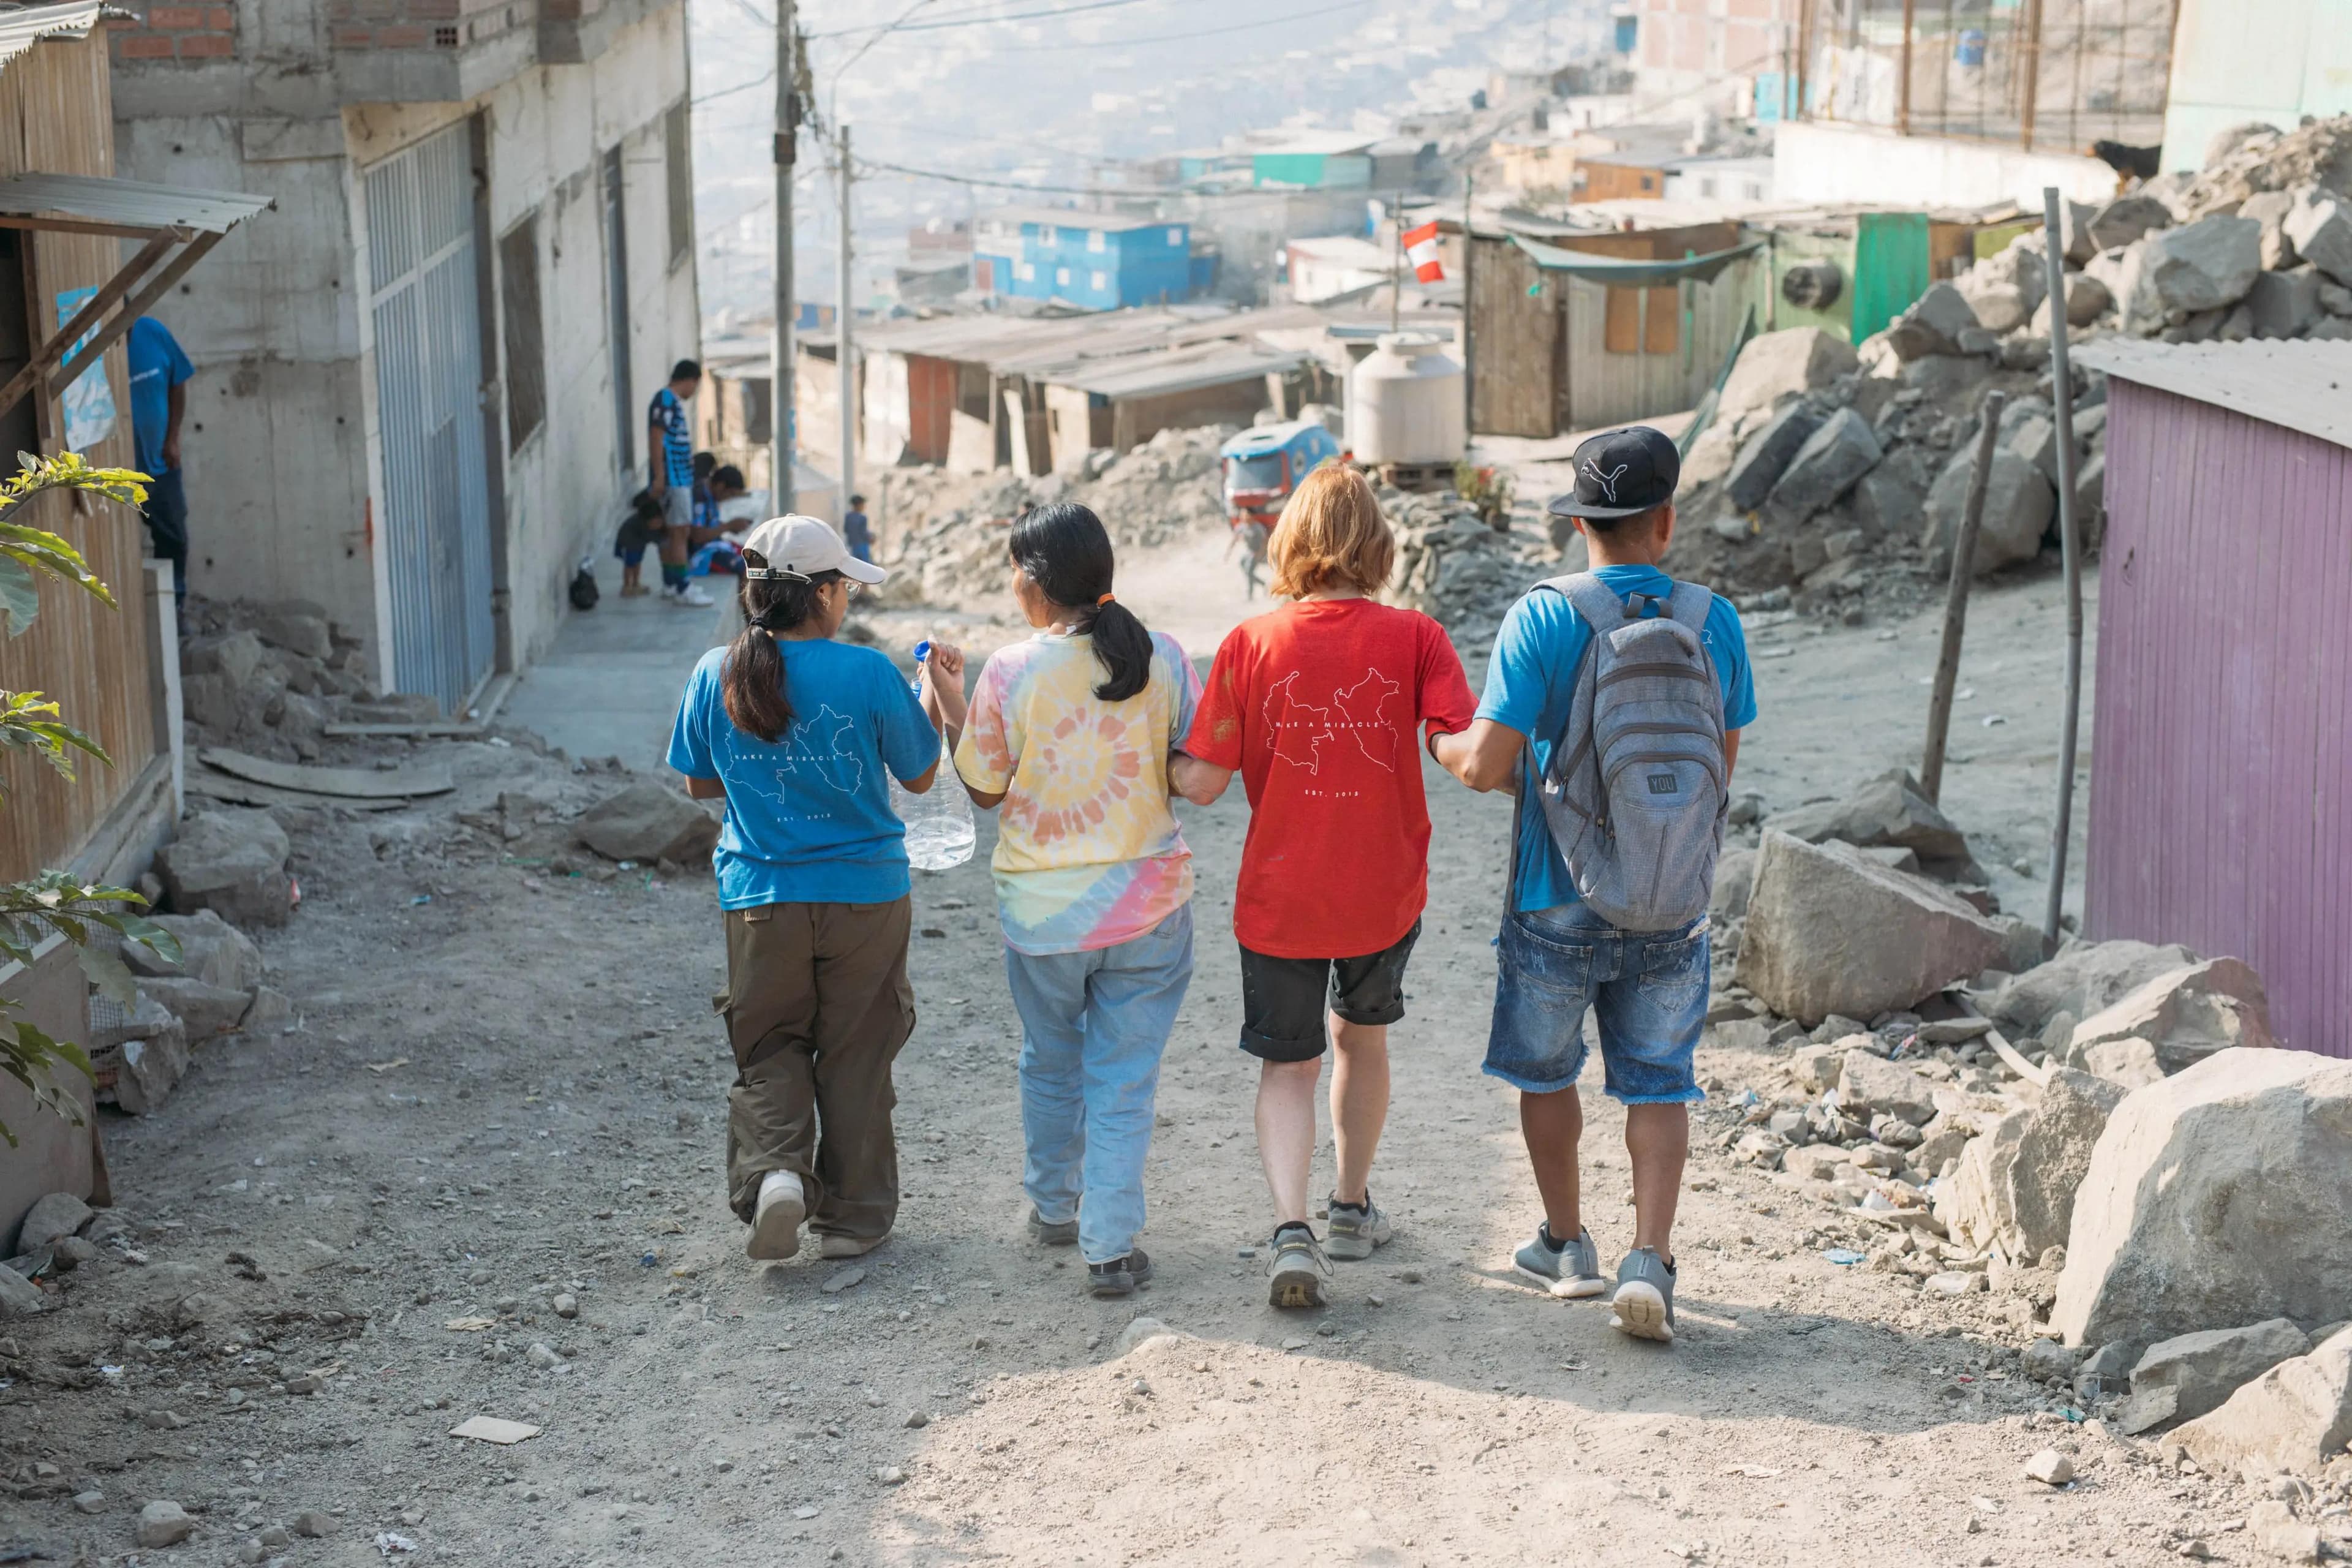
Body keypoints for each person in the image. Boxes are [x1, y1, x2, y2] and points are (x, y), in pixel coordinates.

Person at [1433, 427, 1756, 1344]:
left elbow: (1483, 763)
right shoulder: (1714, 621)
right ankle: (1650, 1259)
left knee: (1547, 1074)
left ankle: (1566, 1245)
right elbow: (1721, 767)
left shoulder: (1543, 616)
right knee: (1659, 1084)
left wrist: (1441, 742)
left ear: (1579, 523)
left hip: (1556, 892)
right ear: (1667, 520)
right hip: (1672, 897)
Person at [1173, 465, 1476, 1310]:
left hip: (1282, 897)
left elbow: (1202, 783)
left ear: (1290, 543)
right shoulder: (1418, 637)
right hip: (1383, 891)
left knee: (1287, 1066)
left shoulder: (1249, 644)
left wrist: (1148, 754)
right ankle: (1349, 1207)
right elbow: (1459, 743)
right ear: (1377, 544)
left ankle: (1290, 1230)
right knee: (1361, 1042)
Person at [666, 514, 965, 1262]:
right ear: (824, 594)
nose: (847, 601)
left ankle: (775, 1175)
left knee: (770, 1043)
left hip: (760, 899)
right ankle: (853, 1219)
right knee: (858, 1049)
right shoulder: (866, 672)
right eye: (845, 589)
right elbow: (920, 775)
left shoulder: (716, 671)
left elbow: (699, 781)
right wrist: (929, 696)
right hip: (866, 898)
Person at [948, 503, 1200, 1300]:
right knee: (1123, 1079)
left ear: (1035, 583)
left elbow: (984, 787)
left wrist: (949, 700)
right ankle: (1110, 1247)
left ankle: (1056, 1206)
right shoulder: (1162, 656)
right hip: (1148, 908)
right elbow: (1195, 763)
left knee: (1050, 1060)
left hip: (1044, 917)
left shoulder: (1009, 670)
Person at [126, 315, 194, 605]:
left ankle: (175, 607)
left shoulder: (152, 332)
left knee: (174, 539)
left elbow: (178, 382)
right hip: (117, 474)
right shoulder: (94, 346)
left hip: (160, 465)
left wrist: (172, 438)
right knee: (119, 548)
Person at [648, 360, 712, 608]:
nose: (694, 391)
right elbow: (656, 436)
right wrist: (660, 475)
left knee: (676, 531)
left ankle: (671, 583)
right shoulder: (665, 399)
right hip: (674, 479)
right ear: (689, 380)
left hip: (680, 478)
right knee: (679, 532)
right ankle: (683, 587)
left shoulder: (670, 401)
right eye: (695, 385)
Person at [842, 494, 873, 564]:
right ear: (859, 505)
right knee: (866, 564)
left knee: (856, 564)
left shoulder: (848, 516)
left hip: (853, 545)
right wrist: (871, 538)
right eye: (863, 504)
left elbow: (846, 530)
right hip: (863, 545)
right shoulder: (863, 517)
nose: (864, 506)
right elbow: (863, 533)